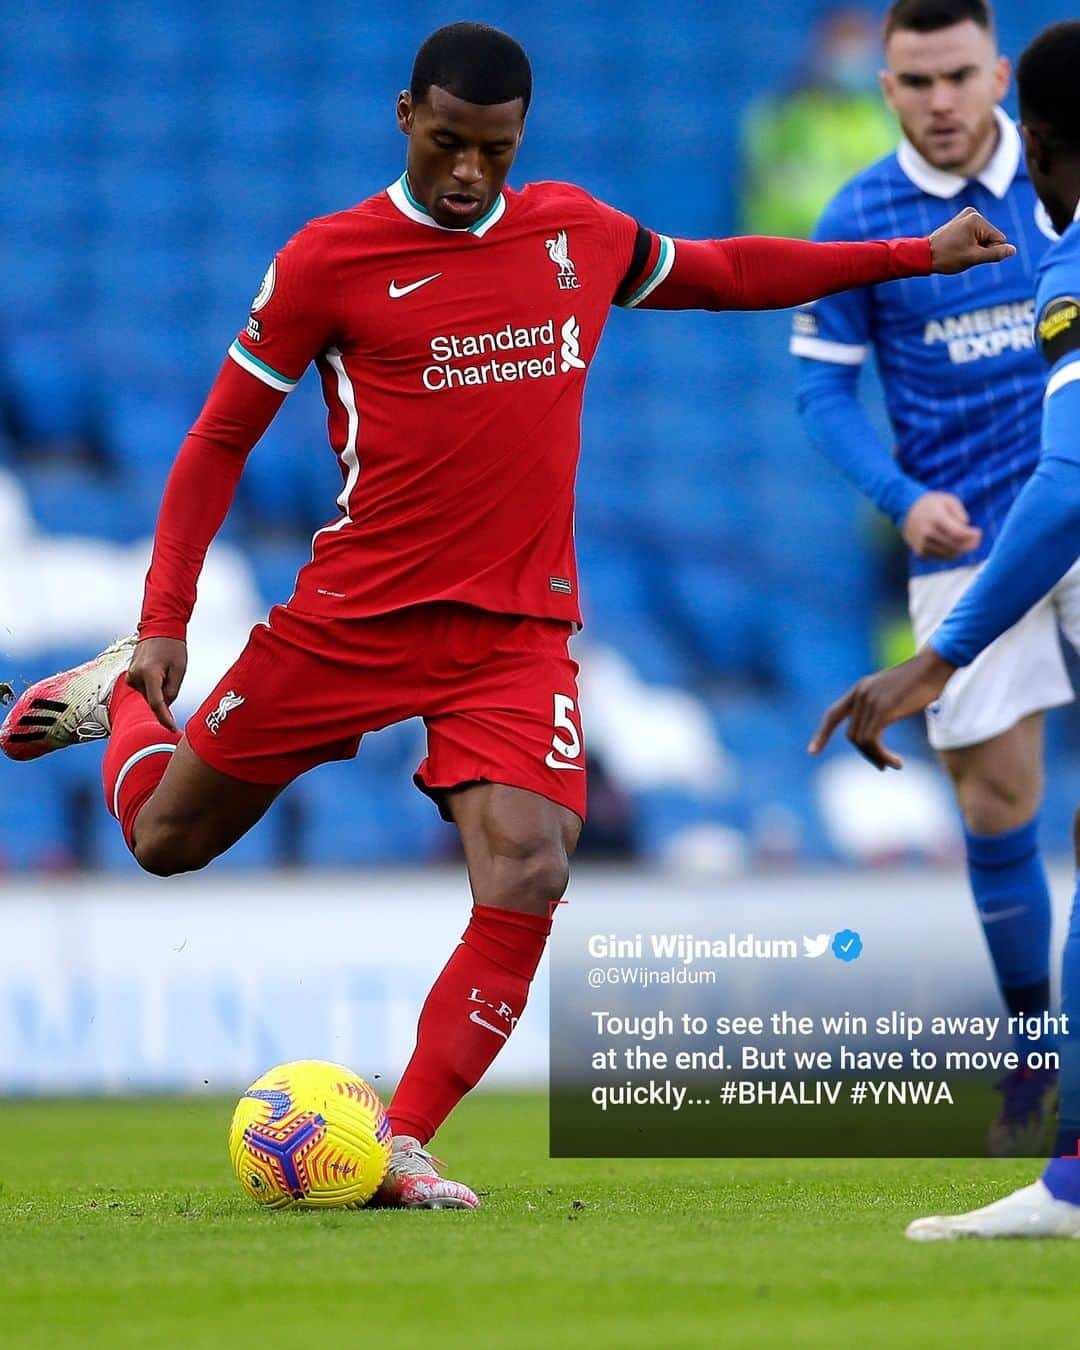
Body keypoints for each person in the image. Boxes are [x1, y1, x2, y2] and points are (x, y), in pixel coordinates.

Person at [0, 21, 1011, 1209]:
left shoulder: (575, 234)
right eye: (446, 144)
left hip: (515, 634)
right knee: (168, 843)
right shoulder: (330, 260)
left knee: (528, 869)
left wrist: (914, 255)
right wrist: (165, 617)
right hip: (354, 617)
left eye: (492, 148)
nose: (468, 171)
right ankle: (124, 696)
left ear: (520, 137)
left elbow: (728, 272)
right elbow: (220, 436)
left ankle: (400, 1142)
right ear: (403, 118)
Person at [811, 19, 1080, 1240]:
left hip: (1066, 505)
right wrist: (898, 497)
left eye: (959, 76)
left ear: (1000, 78)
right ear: (887, 88)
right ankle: (1035, 1037)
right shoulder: (857, 214)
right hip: (969, 533)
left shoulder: (1055, 181)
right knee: (996, 801)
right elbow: (821, 386)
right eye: (914, 82)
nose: (939, 101)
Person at [741, 5, 898, 238]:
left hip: (863, 252)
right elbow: (770, 194)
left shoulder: (881, 116)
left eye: (861, 43)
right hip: (792, 249)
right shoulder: (784, 114)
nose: (853, 56)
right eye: (844, 42)